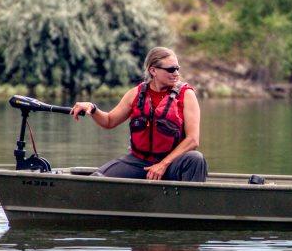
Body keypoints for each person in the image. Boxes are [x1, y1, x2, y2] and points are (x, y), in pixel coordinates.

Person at [70, 46, 208, 181]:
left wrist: (163, 164)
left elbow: (193, 140)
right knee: (96, 180)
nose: (176, 73)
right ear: (153, 70)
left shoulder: (187, 95)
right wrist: (93, 109)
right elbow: (109, 121)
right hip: (138, 162)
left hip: (172, 163)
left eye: (177, 68)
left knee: (196, 159)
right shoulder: (135, 94)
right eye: (171, 69)